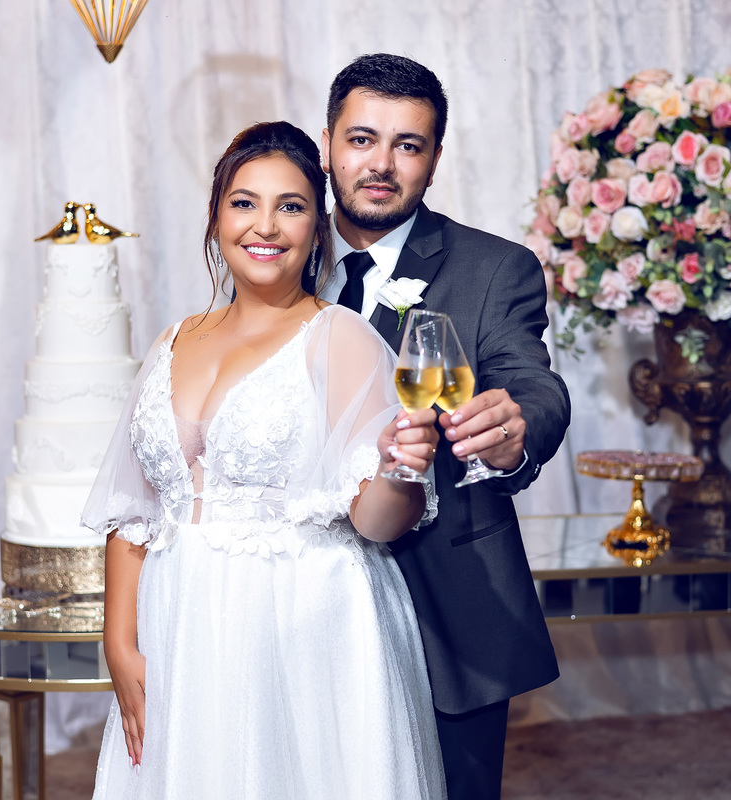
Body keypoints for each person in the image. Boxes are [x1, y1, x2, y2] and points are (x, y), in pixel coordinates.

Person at [82, 120, 448, 799]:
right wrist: (120, 641)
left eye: (292, 206)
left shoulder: (340, 337)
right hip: (180, 618)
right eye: (245, 202)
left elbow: (375, 522)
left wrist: (402, 467)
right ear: (217, 217)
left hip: (300, 619)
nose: (266, 226)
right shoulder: (171, 340)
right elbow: (136, 513)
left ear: (317, 229)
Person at [311, 54, 572, 799]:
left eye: (408, 145)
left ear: (433, 159)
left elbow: (534, 385)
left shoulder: (494, 269)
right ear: (327, 143)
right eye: (362, 139)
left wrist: (517, 428)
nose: (381, 165)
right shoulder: (280, 250)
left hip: (447, 597)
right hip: (301, 592)